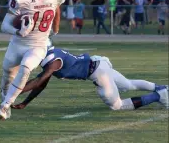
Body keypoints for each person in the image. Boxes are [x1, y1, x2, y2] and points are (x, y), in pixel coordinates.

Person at [0, 0, 66, 120]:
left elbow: (56, 9)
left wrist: (55, 29)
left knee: (27, 67)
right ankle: (5, 101)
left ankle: (6, 105)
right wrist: (17, 31)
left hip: (38, 44)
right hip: (18, 43)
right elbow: (4, 25)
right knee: (8, 75)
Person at [12, 47, 168, 111]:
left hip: (98, 72)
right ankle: (161, 88)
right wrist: (25, 102)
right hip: (99, 62)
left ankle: (158, 96)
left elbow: (38, 82)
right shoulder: (49, 54)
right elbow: (41, 85)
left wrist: (13, 92)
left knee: (117, 105)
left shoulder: (52, 61)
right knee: (127, 84)